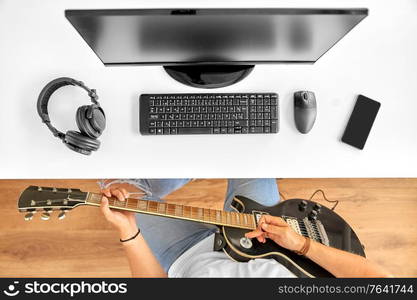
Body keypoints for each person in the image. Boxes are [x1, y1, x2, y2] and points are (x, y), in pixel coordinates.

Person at [99, 179, 390, 278]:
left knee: (115, 185)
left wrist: (130, 233)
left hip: (186, 256)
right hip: (273, 238)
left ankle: (176, 165)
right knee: (249, 143)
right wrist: (302, 245)